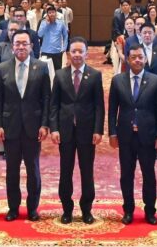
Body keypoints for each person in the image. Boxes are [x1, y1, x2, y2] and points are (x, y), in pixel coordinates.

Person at [0, 30, 52, 222]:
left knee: (33, 169)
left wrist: (45, 124)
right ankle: (13, 208)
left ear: (31, 46)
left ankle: (32, 208)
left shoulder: (41, 67)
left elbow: (46, 98)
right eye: (17, 43)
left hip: (33, 127)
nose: (20, 47)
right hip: (9, 127)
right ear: (12, 47)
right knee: (12, 171)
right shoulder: (2, 68)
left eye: (24, 43)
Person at [49, 38, 105, 224]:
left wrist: (98, 130)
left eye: (81, 51)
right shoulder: (60, 75)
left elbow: (99, 106)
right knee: (65, 170)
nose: (77, 55)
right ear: (68, 53)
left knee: (87, 171)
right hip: (65, 131)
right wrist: (54, 128)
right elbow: (54, 105)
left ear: (86, 53)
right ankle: (67, 209)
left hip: (87, 131)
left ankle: (86, 209)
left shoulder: (95, 75)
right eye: (74, 51)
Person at [109, 44, 157, 225]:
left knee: (149, 175)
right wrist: (112, 133)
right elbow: (112, 110)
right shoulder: (118, 81)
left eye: (140, 57)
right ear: (127, 59)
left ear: (145, 59)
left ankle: (150, 211)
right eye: (133, 57)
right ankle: (128, 210)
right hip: (126, 136)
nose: (137, 60)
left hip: (148, 136)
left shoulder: (156, 81)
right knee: (126, 175)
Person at [37, 5, 69, 71]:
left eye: (53, 12)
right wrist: (46, 24)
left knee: (57, 71)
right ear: (47, 14)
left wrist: (64, 48)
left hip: (57, 52)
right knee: (45, 72)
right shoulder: (43, 22)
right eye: (50, 13)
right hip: (45, 51)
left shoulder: (61, 23)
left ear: (56, 13)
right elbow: (39, 35)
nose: (51, 14)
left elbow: (65, 35)